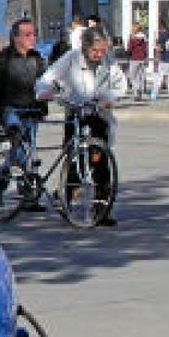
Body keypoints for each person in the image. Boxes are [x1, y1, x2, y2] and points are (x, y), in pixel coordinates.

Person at [36, 26, 127, 226]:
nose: (99, 55)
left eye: (102, 51)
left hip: (98, 114)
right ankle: (65, 197)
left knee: (100, 162)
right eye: (95, 51)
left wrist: (109, 98)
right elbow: (47, 79)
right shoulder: (71, 58)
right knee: (73, 157)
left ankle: (101, 208)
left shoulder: (108, 61)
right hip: (76, 111)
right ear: (85, 47)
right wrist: (47, 91)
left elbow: (121, 85)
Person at [0, 19, 48, 208]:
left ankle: (18, 190)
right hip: (10, 109)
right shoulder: (4, 59)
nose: (32, 38)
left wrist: (44, 104)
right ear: (16, 37)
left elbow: (45, 83)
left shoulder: (37, 58)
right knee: (17, 148)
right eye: (27, 35)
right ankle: (9, 187)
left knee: (27, 152)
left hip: (32, 111)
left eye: (34, 34)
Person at [126, 25, 150, 100]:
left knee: (132, 76)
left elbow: (129, 49)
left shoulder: (132, 38)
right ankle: (140, 89)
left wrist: (128, 54)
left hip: (134, 58)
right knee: (140, 76)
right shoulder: (144, 37)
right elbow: (146, 48)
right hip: (142, 58)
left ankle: (136, 91)